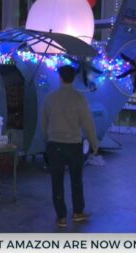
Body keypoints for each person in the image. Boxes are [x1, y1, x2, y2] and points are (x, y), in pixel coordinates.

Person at [42, 65, 99, 227]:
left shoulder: (50, 98)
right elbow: (88, 124)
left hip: (54, 145)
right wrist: (94, 144)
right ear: (74, 78)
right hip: (73, 146)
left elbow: (44, 123)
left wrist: (47, 140)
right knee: (76, 181)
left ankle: (61, 217)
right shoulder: (80, 98)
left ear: (60, 77)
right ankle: (77, 213)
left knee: (57, 181)